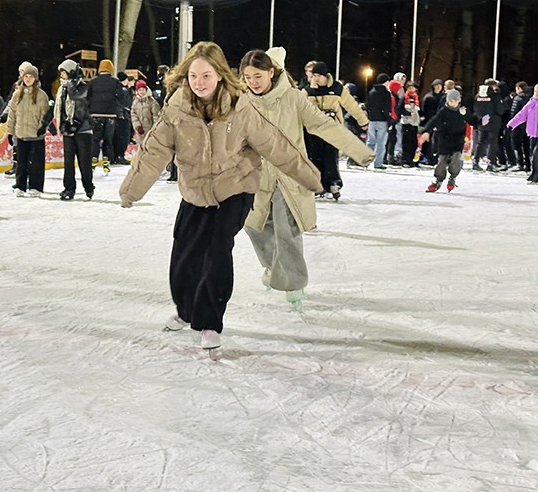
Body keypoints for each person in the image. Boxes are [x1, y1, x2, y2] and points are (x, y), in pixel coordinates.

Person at [118, 42, 322, 351]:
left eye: (206, 76)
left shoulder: (240, 106)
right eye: (193, 76)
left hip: (236, 188)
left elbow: (274, 145)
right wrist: (132, 189)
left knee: (216, 249)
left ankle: (210, 322)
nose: (199, 83)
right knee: (185, 253)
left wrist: (308, 177)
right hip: (195, 189)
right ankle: (186, 309)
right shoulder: (176, 108)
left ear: (220, 75)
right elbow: (154, 151)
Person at [240, 48, 373, 308]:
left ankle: (293, 282)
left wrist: (358, 150)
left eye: (257, 76)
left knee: (286, 229)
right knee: (254, 225)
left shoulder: (293, 98)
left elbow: (322, 124)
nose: (252, 82)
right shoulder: (242, 101)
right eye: (247, 77)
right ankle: (273, 267)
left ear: (271, 72)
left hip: (288, 175)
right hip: (255, 175)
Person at [302, 60, 369, 199]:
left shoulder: (338, 89)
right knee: (315, 157)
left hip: (332, 128)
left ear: (326, 76)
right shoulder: (308, 91)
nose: (316, 79)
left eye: (319, 76)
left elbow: (351, 106)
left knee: (330, 156)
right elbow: (297, 107)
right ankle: (317, 184)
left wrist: (363, 121)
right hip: (314, 130)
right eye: (314, 76)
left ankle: (333, 183)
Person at [5, 62, 52, 197]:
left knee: (36, 163)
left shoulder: (41, 95)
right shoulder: (17, 94)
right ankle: (20, 186)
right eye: (26, 76)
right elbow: (12, 114)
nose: (28, 79)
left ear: (35, 78)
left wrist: (42, 128)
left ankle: (36, 187)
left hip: (36, 135)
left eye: (31, 76)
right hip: (21, 134)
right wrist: (10, 132)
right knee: (21, 162)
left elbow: (45, 114)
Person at [53, 59, 95, 201]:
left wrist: (75, 124)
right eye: (61, 73)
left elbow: (82, 106)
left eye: (64, 72)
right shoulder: (62, 89)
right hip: (67, 128)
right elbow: (60, 108)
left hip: (83, 130)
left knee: (84, 161)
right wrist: (61, 125)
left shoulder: (83, 87)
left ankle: (88, 186)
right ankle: (69, 188)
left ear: (71, 72)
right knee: (68, 161)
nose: (62, 75)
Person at [420, 89, 468, 193]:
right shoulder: (443, 111)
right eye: (451, 101)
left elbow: (473, 119)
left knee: (456, 159)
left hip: (458, 140)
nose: (453, 103)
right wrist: (427, 131)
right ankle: (438, 180)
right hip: (444, 140)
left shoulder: (463, 111)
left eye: (455, 101)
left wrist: (481, 121)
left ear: (459, 101)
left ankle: (453, 177)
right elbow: (434, 120)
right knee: (442, 161)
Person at [87, 59, 123, 172]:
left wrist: (90, 108)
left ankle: (93, 159)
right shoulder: (115, 82)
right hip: (110, 115)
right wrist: (119, 111)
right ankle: (106, 161)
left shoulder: (93, 82)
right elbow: (121, 97)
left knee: (95, 139)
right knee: (108, 139)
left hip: (96, 114)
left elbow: (87, 97)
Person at [470, 79, 508, 172]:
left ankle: (475, 162)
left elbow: (475, 108)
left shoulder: (478, 95)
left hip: (482, 122)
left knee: (480, 142)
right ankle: (491, 163)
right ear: (492, 86)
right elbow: (500, 110)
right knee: (492, 143)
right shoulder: (494, 96)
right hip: (493, 122)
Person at [365, 73, 392, 169]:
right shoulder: (386, 93)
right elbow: (387, 108)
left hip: (372, 120)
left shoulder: (371, 92)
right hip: (382, 121)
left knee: (370, 142)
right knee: (381, 143)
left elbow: (367, 105)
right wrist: (389, 120)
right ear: (386, 82)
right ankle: (378, 163)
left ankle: (365, 161)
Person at [418, 79, 445, 165]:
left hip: (439, 121)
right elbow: (423, 109)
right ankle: (425, 157)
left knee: (437, 141)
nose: (438, 87)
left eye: (440, 86)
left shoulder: (443, 97)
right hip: (429, 120)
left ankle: (434, 158)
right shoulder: (428, 97)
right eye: (436, 86)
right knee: (428, 140)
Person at [508, 81, 532, 173]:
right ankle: (528, 164)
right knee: (527, 145)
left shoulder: (518, 99)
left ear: (519, 88)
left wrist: (512, 123)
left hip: (518, 126)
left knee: (516, 145)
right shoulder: (531, 98)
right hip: (528, 125)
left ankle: (520, 163)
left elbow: (514, 112)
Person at [130, 78, 160, 147]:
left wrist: (155, 128)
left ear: (146, 90)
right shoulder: (135, 102)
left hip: (150, 130)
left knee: (150, 147)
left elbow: (156, 115)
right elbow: (133, 115)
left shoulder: (152, 101)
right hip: (140, 132)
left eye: (143, 89)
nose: (141, 92)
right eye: (139, 90)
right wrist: (137, 126)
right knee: (141, 147)